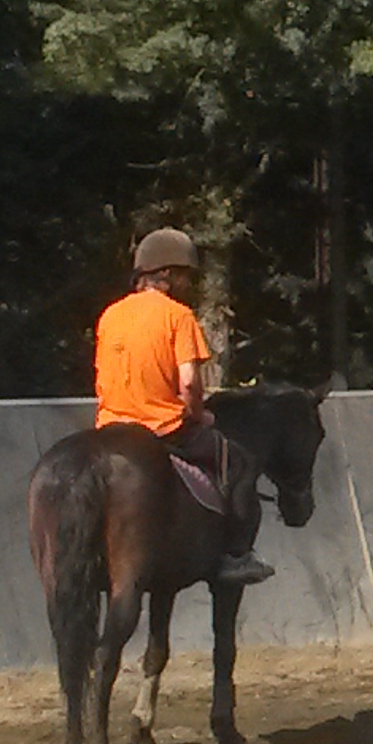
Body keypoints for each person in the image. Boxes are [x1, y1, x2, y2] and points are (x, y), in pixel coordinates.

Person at [94, 228, 271, 585]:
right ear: (168, 275)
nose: (189, 283)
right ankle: (234, 556)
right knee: (237, 462)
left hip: (111, 425)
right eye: (186, 276)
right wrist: (198, 414)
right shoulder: (178, 316)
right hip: (162, 426)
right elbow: (189, 382)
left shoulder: (110, 315)